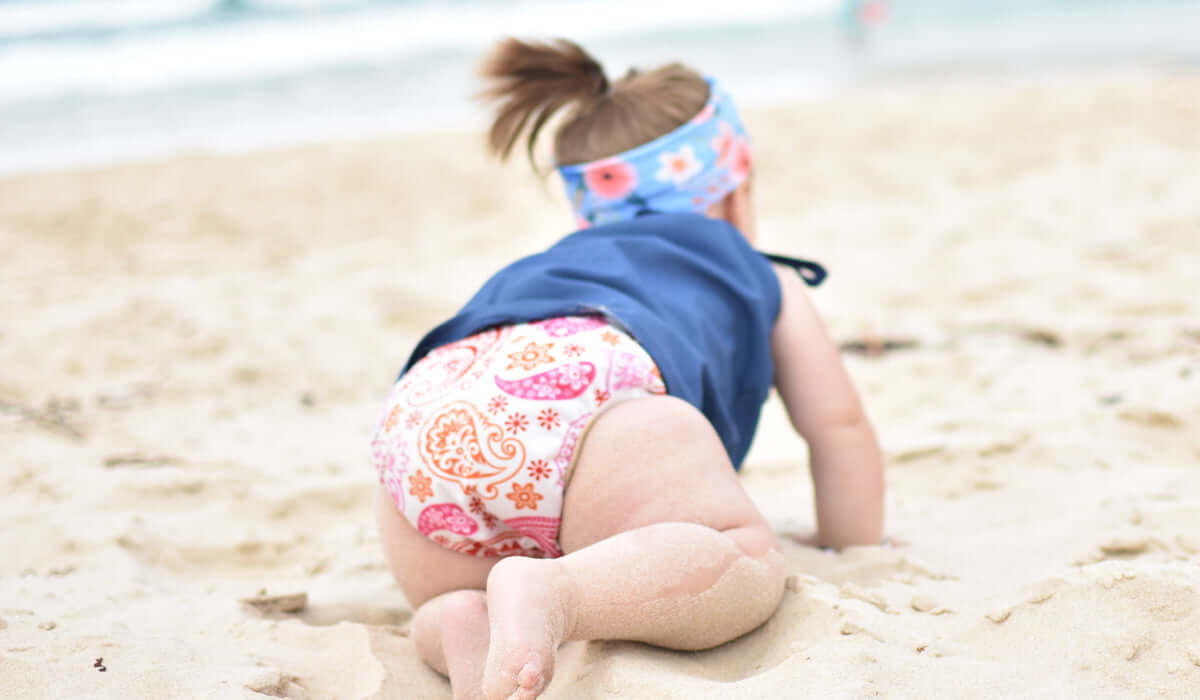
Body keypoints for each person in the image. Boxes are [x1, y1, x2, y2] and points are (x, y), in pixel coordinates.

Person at [369, 37, 885, 700]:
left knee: (453, 599)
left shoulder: (555, 266)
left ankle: (462, 623)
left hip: (424, 419)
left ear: (588, 208)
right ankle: (555, 593)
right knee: (745, 561)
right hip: (588, 391)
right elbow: (837, 427)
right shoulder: (764, 275)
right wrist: (854, 545)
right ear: (734, 189)